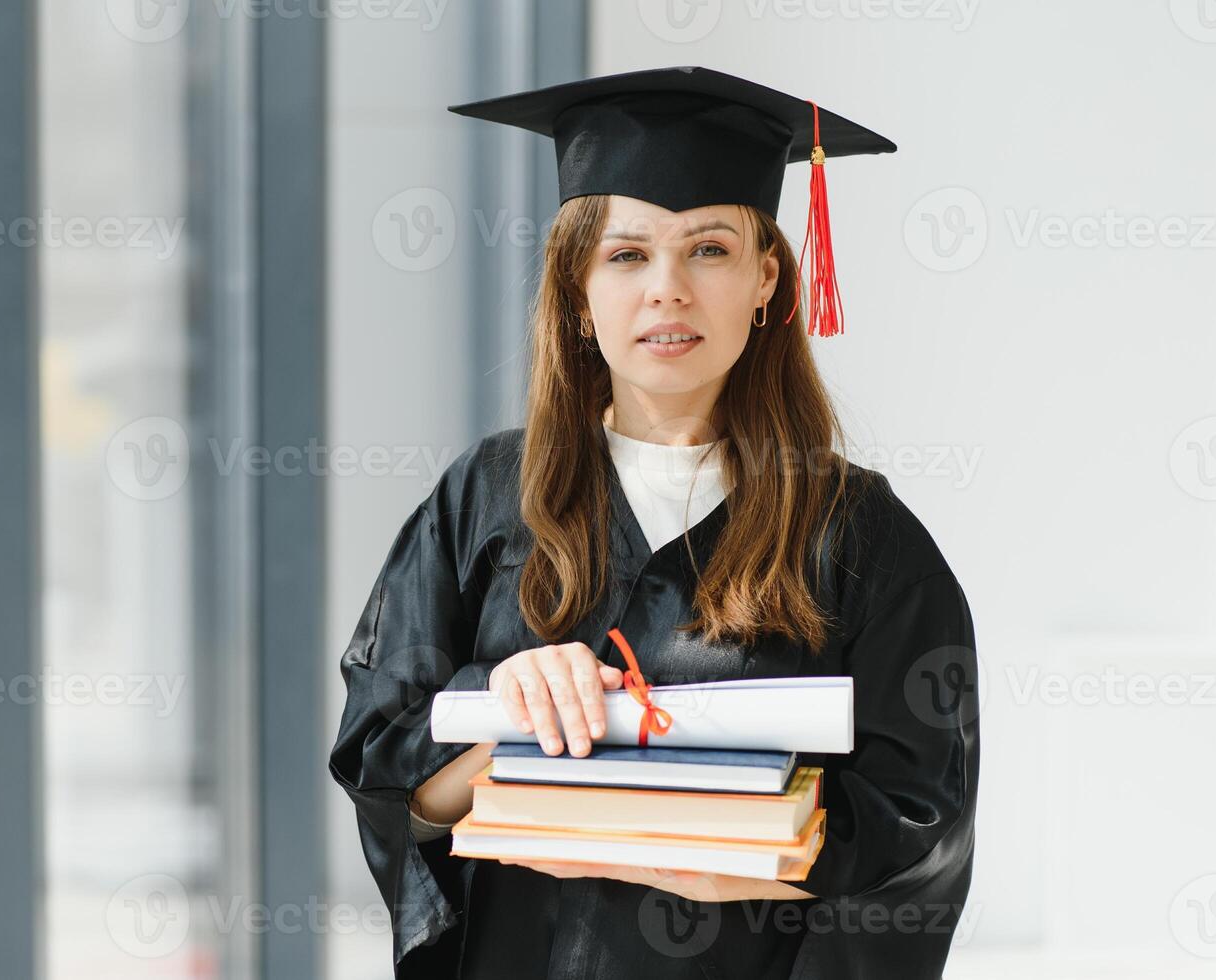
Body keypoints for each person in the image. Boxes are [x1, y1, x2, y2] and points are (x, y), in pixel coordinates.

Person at [328, 65, 979, 980]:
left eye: (709, 249)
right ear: (578, 296)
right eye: (627, 255)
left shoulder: (860, 535)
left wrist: (751, 863)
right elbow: (393, 790)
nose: (667, 288)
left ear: (765, 281)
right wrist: (506, 707)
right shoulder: (482, 501)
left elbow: (922, 827)